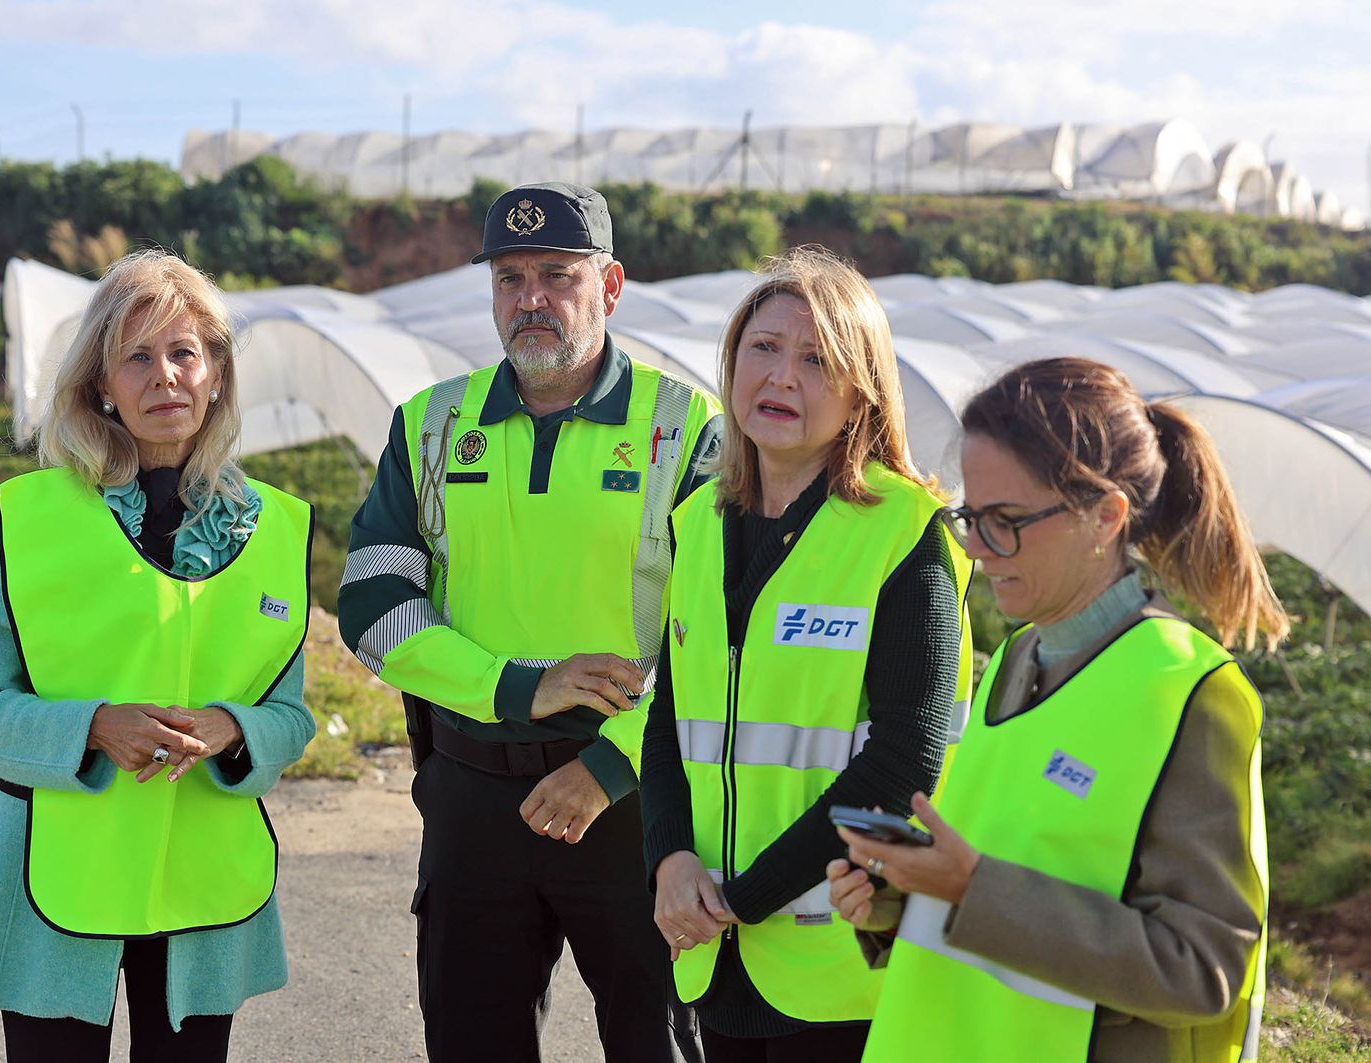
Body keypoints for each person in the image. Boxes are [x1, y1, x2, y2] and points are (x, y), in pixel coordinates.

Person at [337, 182, 720, 1062]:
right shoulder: (431, 426)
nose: (531, 300)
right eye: (510, 278)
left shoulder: (684, 428)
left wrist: (613, 765)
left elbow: (715, 630)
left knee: (659, 1046)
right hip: (473, 798)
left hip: (632, 802)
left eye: (557, 274)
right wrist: (517, 687)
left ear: (610, 286)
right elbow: (373, 604)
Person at [827, 356, 1284, 1062]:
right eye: (971, 517)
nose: (976, 548)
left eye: (1006, 521)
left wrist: (971, 887)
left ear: (1105, 517)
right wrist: (899, 897)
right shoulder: (1016, 659)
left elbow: (1202, 969)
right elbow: (1013, 886)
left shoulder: (1190, 691)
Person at [0, 250, 316, 1063]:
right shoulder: (29, 517)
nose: (166, 376)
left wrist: (231, 728)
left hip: (203, 879)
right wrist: (92, 727)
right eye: (137, 356)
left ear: (216, 372)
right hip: (55, 871)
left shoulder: (278, 530)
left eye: (185, 352)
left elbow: (291, 716)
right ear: (101, 383)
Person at [639, 246, 973, 1062]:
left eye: (818, 359)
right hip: (719, 955)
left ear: (863, 388)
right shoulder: (699, 524)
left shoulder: (905, 536)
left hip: (838, 970)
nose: (783, 377)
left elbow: (906, 760)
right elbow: (671, 720)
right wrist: (669, 858)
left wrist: (743, 896)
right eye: (764, 348)